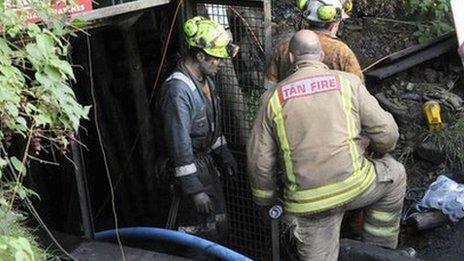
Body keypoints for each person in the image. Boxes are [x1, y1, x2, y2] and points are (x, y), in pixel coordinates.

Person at [247, 30, 406, 261]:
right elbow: (387, 134)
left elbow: (259, 160)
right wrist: (378, 149)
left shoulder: (273, 99)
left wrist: (267, 201)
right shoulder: (348, 83)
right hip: (355, 186)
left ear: (291, 58)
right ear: (321, 55)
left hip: (306, 204)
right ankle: (378, 250)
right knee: (396, 174)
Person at [158, 16, 239, 243]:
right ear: (200, 56)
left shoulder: (207, 81)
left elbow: (211, 129)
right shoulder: (177, 91)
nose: (219, 63)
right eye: (215, 59)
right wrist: (194, 190)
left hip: (207, 168)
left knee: (217, 226)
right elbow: (179, 144)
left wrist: (224, 154)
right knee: (196, 233)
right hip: (189, 173)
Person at [267, 0, 364, 84]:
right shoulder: (342, 52)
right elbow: (358, 87)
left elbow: (270, 85)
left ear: (308, 20)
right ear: (334, 24)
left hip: (291, 105)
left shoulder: (284, 48)